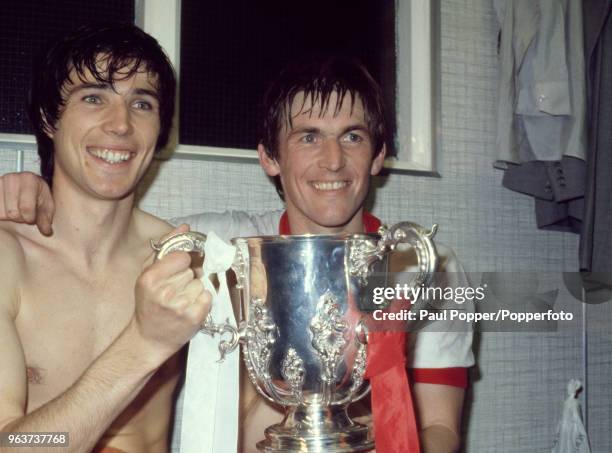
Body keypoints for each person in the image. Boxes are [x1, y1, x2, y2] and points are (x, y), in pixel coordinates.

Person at [1, 57, 474, 452]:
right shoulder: (218, 246)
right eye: (308, 136)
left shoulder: (428, 266)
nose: (333, 160)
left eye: (352, 136)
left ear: (378, 155)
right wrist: (32, 191)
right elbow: (104, 227)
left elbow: (441, 429)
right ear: (269, 157)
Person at [0, 23, 211, 453]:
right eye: (94, 97)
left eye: (142, 103)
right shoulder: (8, 258)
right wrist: (144, 343)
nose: (121, 124)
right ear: (48, 117)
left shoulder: (188, 261)